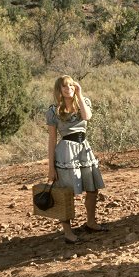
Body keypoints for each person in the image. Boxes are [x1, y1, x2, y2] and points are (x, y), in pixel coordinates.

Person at [45, 75, 106, 244]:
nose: (69, 88)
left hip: (84, 148)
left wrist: (79, 94)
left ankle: (91, 222)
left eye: (71, 85)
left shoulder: (82, 102)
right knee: (66, 192)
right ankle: (68, 233)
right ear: (59, 90)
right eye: (65, 86)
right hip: (66, 150)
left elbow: (87, 117)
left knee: (92, 188)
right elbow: (51, 140)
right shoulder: (53, 111)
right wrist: (51, 167)